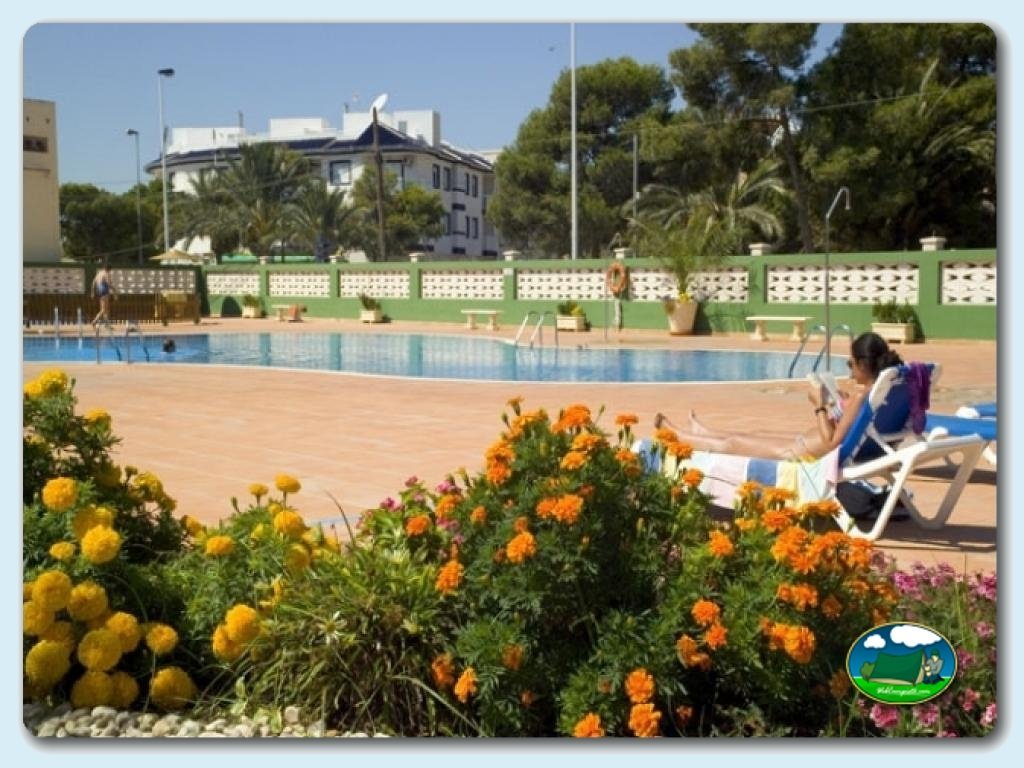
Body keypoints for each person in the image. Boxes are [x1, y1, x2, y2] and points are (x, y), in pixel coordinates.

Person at [654, 332, 904, 460]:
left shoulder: (863, 398)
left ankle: (677, 436)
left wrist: (819, 405)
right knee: (754, 435)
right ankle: (701, 433)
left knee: (733, 443)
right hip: (805, 442)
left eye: (850, 364)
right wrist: (843, 401)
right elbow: (851, 424)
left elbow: (831, 442)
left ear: (863, 364)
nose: (849, 370)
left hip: (802, 453)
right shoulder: (882, 391)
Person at [91, 262, 116, 327]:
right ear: (109, 269)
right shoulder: (106, 274)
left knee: (106, 309)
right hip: (104, 291)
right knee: (104, 309)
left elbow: (93, 283)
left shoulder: (99, 273)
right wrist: (115, 292)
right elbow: (109, 284)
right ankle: (94, 321)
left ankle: (106, 324)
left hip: (99, 291)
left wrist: (93, 292)